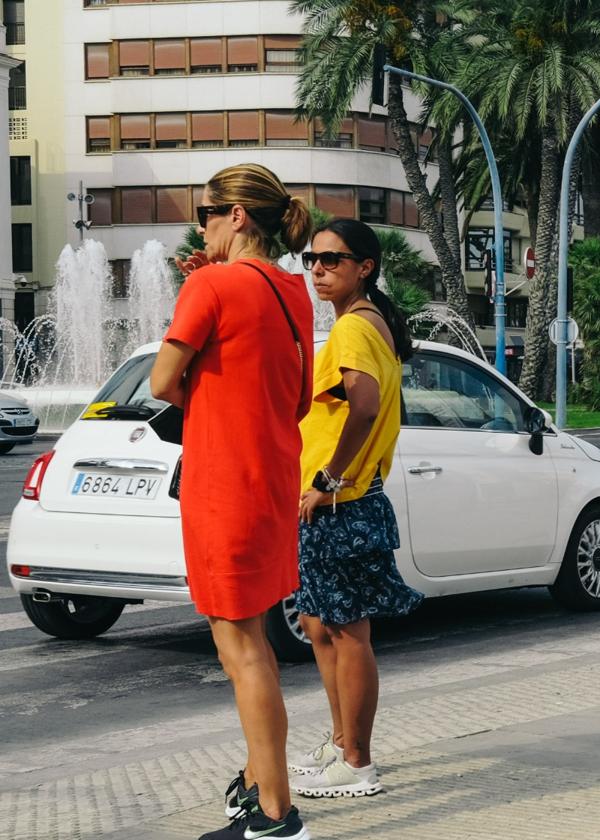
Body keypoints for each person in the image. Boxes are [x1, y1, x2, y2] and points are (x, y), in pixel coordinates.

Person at [150, 163, 315, 840]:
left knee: (240, 651)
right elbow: (296, 395)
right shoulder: (292, 289)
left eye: (206, 213)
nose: (201, 226)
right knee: (256, 648)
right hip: (271, 483)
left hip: (224, 488)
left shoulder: (212, 285)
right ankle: (259, 785)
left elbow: (163, 382)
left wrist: (213, 398)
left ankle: (277, 817)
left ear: (239, 216)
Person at [287, 219, 423, 798]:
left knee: (347, 633)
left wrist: (329, 479)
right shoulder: (365, 323)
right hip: (336, 504)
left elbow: (364, 406)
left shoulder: (353, 329)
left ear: (364, 266)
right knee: (321, 626)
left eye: (332, 260)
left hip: (342, 503)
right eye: (311, 259)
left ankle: (358, 762)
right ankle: (343, 742)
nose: (318, 269)